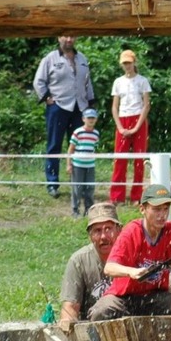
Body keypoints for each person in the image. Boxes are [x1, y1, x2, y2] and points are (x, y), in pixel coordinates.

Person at [88, 184, 171, 321]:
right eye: (157, 209)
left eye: (165, 209)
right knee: (102, 311)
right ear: (143, 209)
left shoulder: (170, 230)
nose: (162, 215)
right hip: (123, 299)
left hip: (156, 298)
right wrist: (131, 272)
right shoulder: (131, 232)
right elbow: (109, 268)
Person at [33, 36, 95, 199]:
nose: (69, 39)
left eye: (72, 36)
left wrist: (90, 104)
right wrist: (47, 98)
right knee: (54, 145)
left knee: (79, 147)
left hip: (79, 107)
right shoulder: (50, 58)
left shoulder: (82, 58)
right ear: (59, 38)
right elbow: (38, 81)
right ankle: (52, 183)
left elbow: (88, 83)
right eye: (65, 36)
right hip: (58, 106)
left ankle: (79, 184)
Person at [59, 203, 122, 329]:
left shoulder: (132, 256)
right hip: (92, 329)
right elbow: (70, 308)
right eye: (97, 231)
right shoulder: (79, 261)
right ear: (90, 236)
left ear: (119, 230)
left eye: (108, 229)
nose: (103, 236)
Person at [110, 49, 152, 206]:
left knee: (139, 160)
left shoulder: (142, 81)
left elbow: (146, 105)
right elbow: (114, 107)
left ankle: (136, 196)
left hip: (138, 120)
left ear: (134, 62)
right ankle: (117, 196)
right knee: (119, 159)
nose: (127, 66)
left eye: (129, 62)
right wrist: (120, 127)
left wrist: (136, 128)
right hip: (122, 120)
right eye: (124, 63)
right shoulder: (118, 82)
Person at [67, 108, 100, 217]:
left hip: (90, 165)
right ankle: (75, 210)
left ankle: (89, 209)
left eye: (93, 118)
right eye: (89, 118)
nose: (91, 120)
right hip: (78, 165)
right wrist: (69, 164)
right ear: (83, 119)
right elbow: (70, 149)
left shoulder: (96, 133)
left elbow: (94, 148)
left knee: (90, 188)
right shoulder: (78, 132)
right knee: (77, 188)